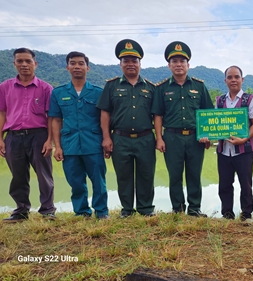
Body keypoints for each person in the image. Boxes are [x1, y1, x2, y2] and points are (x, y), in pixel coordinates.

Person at [152, 41, 214, 217]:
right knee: (175, 175)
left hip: (195, 137)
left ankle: (194, 208)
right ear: (169, 65)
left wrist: (206, 135)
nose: (178, 64)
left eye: (182, 61)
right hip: (172, 137)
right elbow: (158, 115)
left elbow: (207, 114)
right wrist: (159, 138)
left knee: (194, 174)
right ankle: (178, 209)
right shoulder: (162, 88)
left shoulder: (199, 86)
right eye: (175, 61)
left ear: (188, 65)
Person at [96, 39, 156, 218]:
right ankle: (127, 210)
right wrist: (106, 138)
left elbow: (158, 115)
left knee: (146, 174)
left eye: (134, 60)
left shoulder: (151, 88)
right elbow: (105, 113)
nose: (130, 64)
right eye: (126, 61)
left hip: (145, 137)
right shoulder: (112, 85)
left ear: (140, 63)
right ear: (120, 64)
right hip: (120, 138)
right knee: (123, 175)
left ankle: (146, 209)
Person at [48, 51, 109, 219]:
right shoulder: (58, 93)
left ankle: (102, 211)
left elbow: (105, 119)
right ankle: (82, 211)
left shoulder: (98, 92)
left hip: (93, 144)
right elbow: (56, 120)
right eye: (73, 63)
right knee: (76, 182)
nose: (77, 66)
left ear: (87, 68)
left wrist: (106, 139)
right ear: (67, 67)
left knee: (99, 182)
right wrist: (57, 146)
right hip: (70, 145)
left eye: (81, 63)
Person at [0, 47, 56, 222]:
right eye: (20, 61)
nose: (24, 64)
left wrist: (50, 140)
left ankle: (47, 210)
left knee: (44, 174)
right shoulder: (5, 87)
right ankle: (21, 210)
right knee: (18, 175)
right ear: (14, 63)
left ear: (35, 64)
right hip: (13, 136)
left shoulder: (46, 88)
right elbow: (1, 113)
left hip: (38, 136)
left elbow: (51, 117)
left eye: (28, 61)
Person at [215, 66, 253, 220]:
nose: (233, 80)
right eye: (230, 77)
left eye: (236, 77)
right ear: (225, 80)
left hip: (244, 150)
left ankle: (246, 214)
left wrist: (245, 138)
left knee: (246, 184)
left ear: (242, 79)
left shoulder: (250, 99)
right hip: (224, 151)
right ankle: (227, 214)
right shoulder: (220, 100)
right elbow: (214, 124)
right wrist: (207, 135)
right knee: (225, 184)